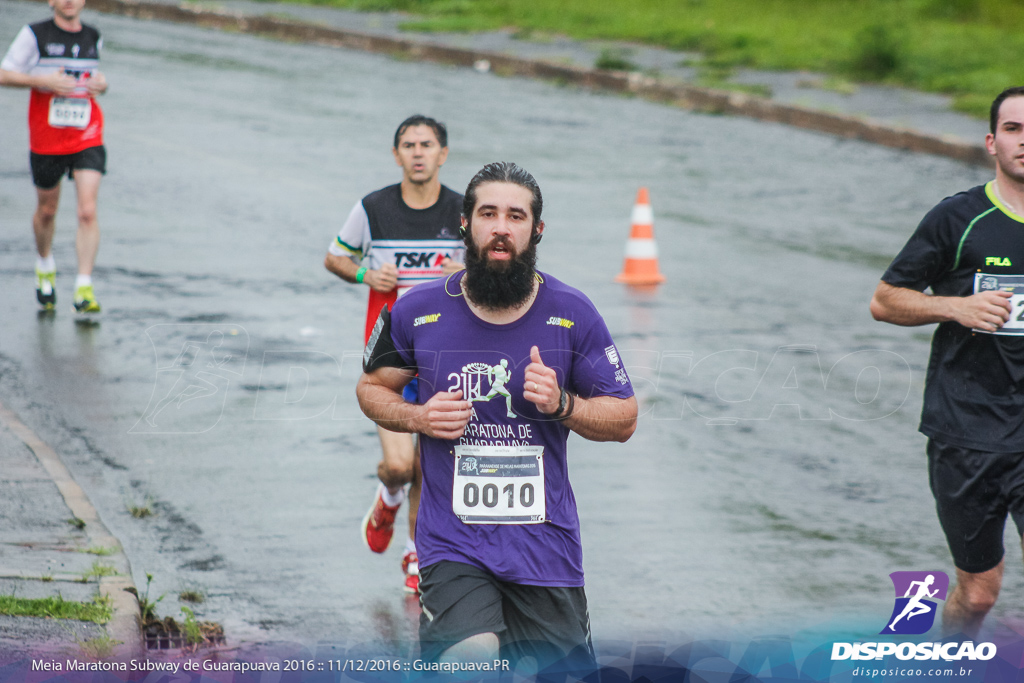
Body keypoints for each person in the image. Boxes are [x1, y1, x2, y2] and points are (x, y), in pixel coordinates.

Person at [357, 161, 638, 671]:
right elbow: (372, 389)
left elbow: (624, 417)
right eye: (488, 213)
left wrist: (563, 404)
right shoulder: (419, 309)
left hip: (545, 547)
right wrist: (419, 417)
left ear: (537, 230)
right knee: (472, 662)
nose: (501, 227)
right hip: (452, 542)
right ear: (466, 223)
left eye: (516, 215)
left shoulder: (573, 313)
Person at [871, 86, 1024, 639]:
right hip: (967, 432)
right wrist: (955, 306)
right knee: (980, 593)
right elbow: (886, 300)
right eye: (1013, 129)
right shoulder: (958, 219)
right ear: (992, 142)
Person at [325, 115, 464, 593]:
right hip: (389, 354)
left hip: (446, 355)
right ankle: (387, 495)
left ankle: (415, 552)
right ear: (397, 154)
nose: (418, 152)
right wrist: (366, 276)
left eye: (427, 144)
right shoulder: (373, 208)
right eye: (409, 144)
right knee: (403, 466)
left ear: (443, 154)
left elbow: (498, 267)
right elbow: (335, 255)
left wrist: (469, 269)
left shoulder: (465, 211)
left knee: (429, 464)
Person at [0, 0, 108, 314]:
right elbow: (4, 74)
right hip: (47, 137)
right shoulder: (35, 35)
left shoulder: (93, 36)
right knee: (47, 210)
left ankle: (83, 288)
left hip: (87, 133)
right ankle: (44, 265)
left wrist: (103, 84)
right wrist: (43, 81)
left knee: (87, 210)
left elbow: (94, 79)